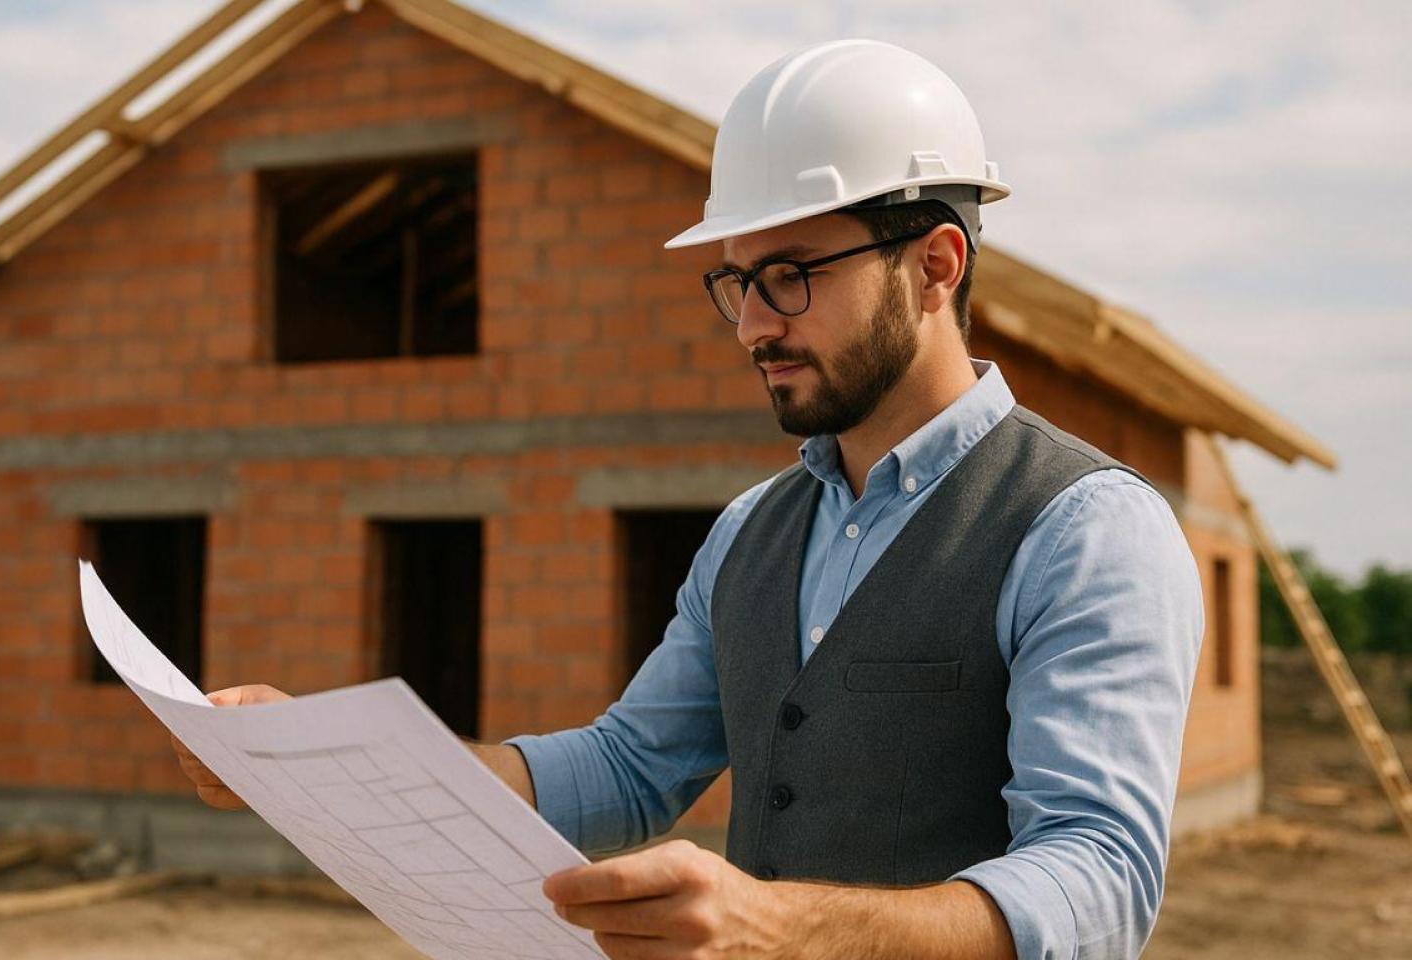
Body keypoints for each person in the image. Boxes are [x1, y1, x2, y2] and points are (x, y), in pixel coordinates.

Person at [172, 38, 1203, 960]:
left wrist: (784, 932)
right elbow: (625, 768)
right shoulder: (751, 531)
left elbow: (1097, 880)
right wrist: (328, 768)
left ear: (933, 264)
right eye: (734, 281)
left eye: (790, 275)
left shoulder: (1080, 527)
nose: (751, 324)